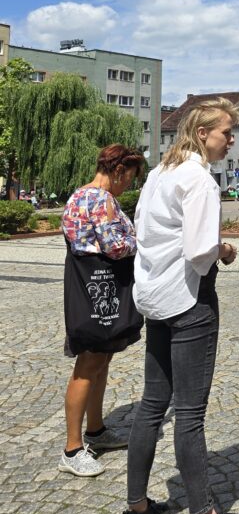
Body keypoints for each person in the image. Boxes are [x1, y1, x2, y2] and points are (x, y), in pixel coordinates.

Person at [122, 98, 239, 514]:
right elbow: (200, 252)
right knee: (190, 413)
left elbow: (142, 230)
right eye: (227, 132)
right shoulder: (199, 179)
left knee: (151, 404)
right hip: (189, 300)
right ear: (203, 133)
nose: (231, 140)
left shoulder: (160, 173)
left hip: (156, 297)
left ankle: (138, 509)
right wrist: (222, 249)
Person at [60, 144, 147, 477]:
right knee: (89, 362)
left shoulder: (78, 195)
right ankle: (71, 449)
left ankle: (96, 430)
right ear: (119, 170)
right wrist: (145, 242)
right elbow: (116, 245)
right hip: (100, 288)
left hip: (88, 286)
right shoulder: (101, 199)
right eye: (130, 178)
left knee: (99, 359)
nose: (129, 186)